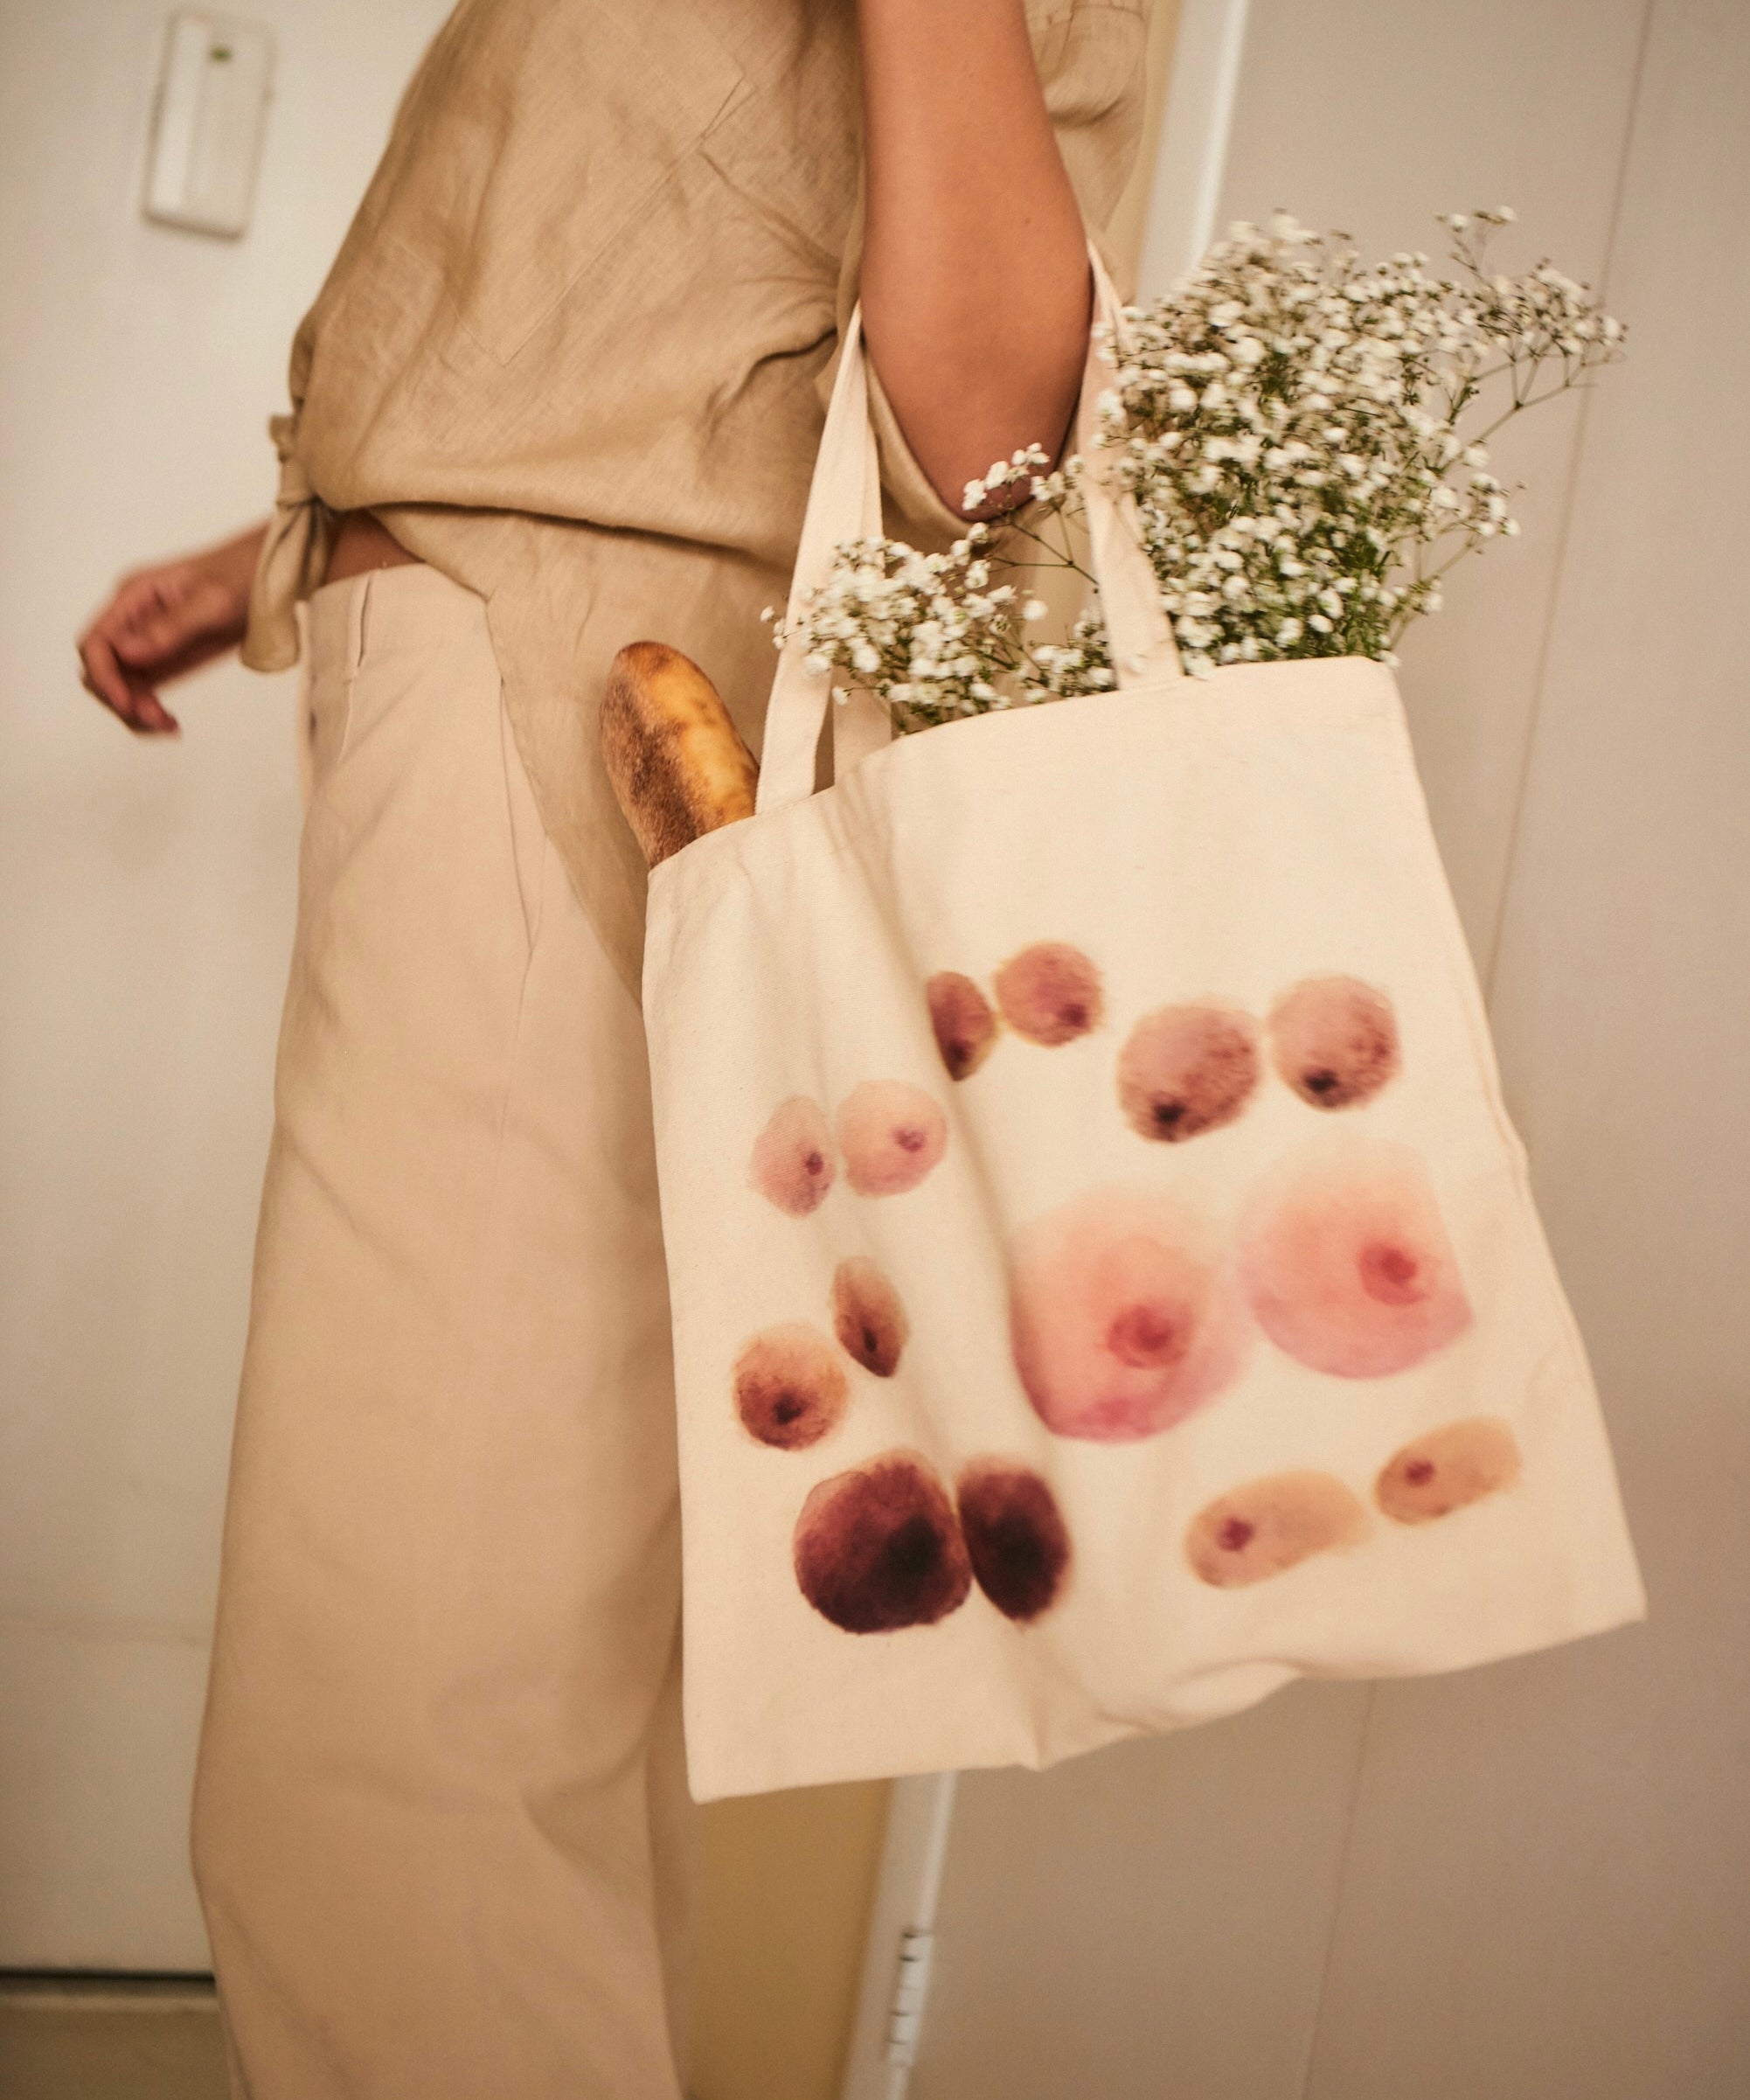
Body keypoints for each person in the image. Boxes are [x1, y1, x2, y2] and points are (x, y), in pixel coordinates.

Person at [76, 3, 1150, 2092]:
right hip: (522, 666)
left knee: (397, 1767)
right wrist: (289, 558)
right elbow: (638, 259)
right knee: (517, 1726)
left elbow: (990, 422)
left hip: (588, 723)